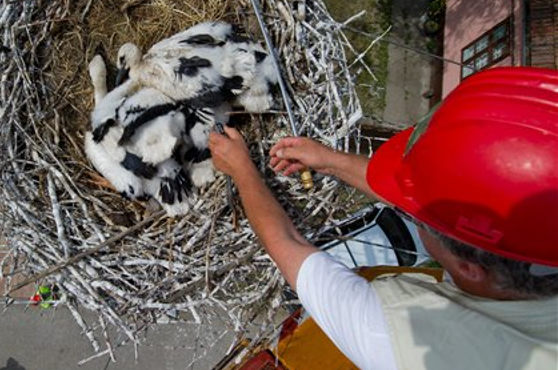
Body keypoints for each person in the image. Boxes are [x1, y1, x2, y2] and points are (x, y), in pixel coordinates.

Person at [209, 67, 557, 370]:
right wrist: (329, 160)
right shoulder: (533, 256)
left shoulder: (410, 337)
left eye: (422, 220)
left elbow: (289, 244)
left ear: (471, 268)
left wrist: (240, 169)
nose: (412, 215)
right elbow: (431, 205)